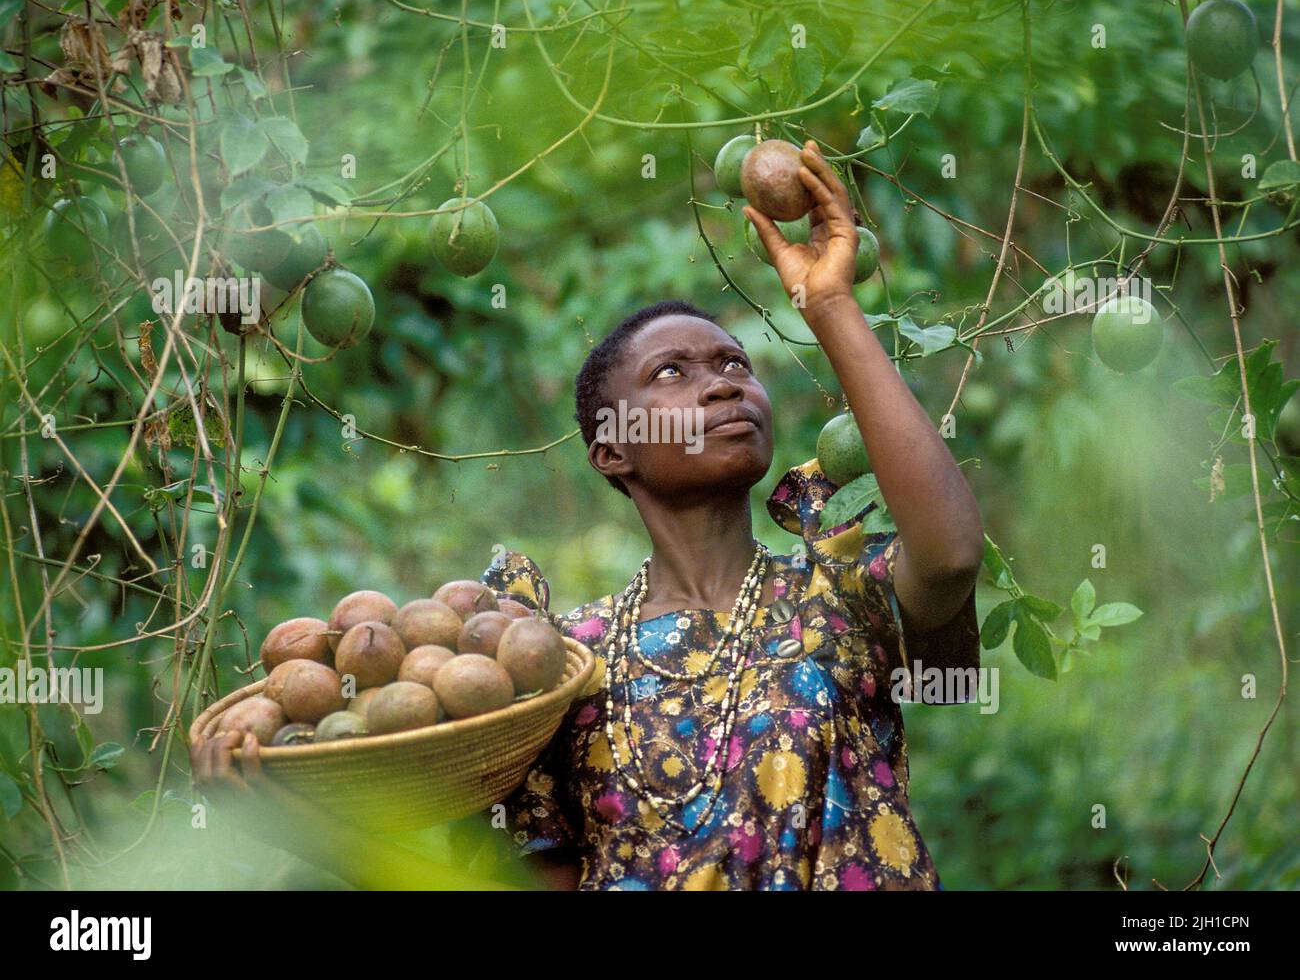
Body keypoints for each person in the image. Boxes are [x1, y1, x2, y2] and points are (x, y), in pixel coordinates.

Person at [191, 140, 984, 891]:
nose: (724, 385)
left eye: (736, 364)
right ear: (613, 448)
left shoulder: (837, 590)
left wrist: (831, 300)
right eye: (673, 371)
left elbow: (948, 555)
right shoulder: (560, 663)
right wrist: (297, 825)